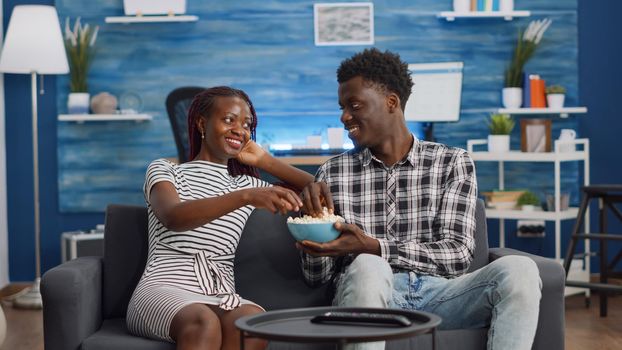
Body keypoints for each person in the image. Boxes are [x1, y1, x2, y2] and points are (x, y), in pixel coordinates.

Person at [297, 48, 542, 350]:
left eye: (354, 105)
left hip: (442, 296)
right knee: (369, 266)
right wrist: (313, 235)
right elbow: (315, 278)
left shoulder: (452, 162)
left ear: (391, 102)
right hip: (368, 296)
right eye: (342, 107)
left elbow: (459, 255)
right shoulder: (332, 172)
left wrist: (375, 246)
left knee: (521, 268)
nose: (344, 116)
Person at [127, 86, 314, 350]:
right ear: (202, 123)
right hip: (163, 287)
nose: (240, 129)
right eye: (229, 120)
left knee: (253, 323)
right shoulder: (165, 170)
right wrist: (245, 197)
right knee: (204, 322)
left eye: (246, 124)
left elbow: (321, 191)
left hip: (220, 292)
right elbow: (173, 216)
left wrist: (266, 161)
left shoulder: (249, 185)